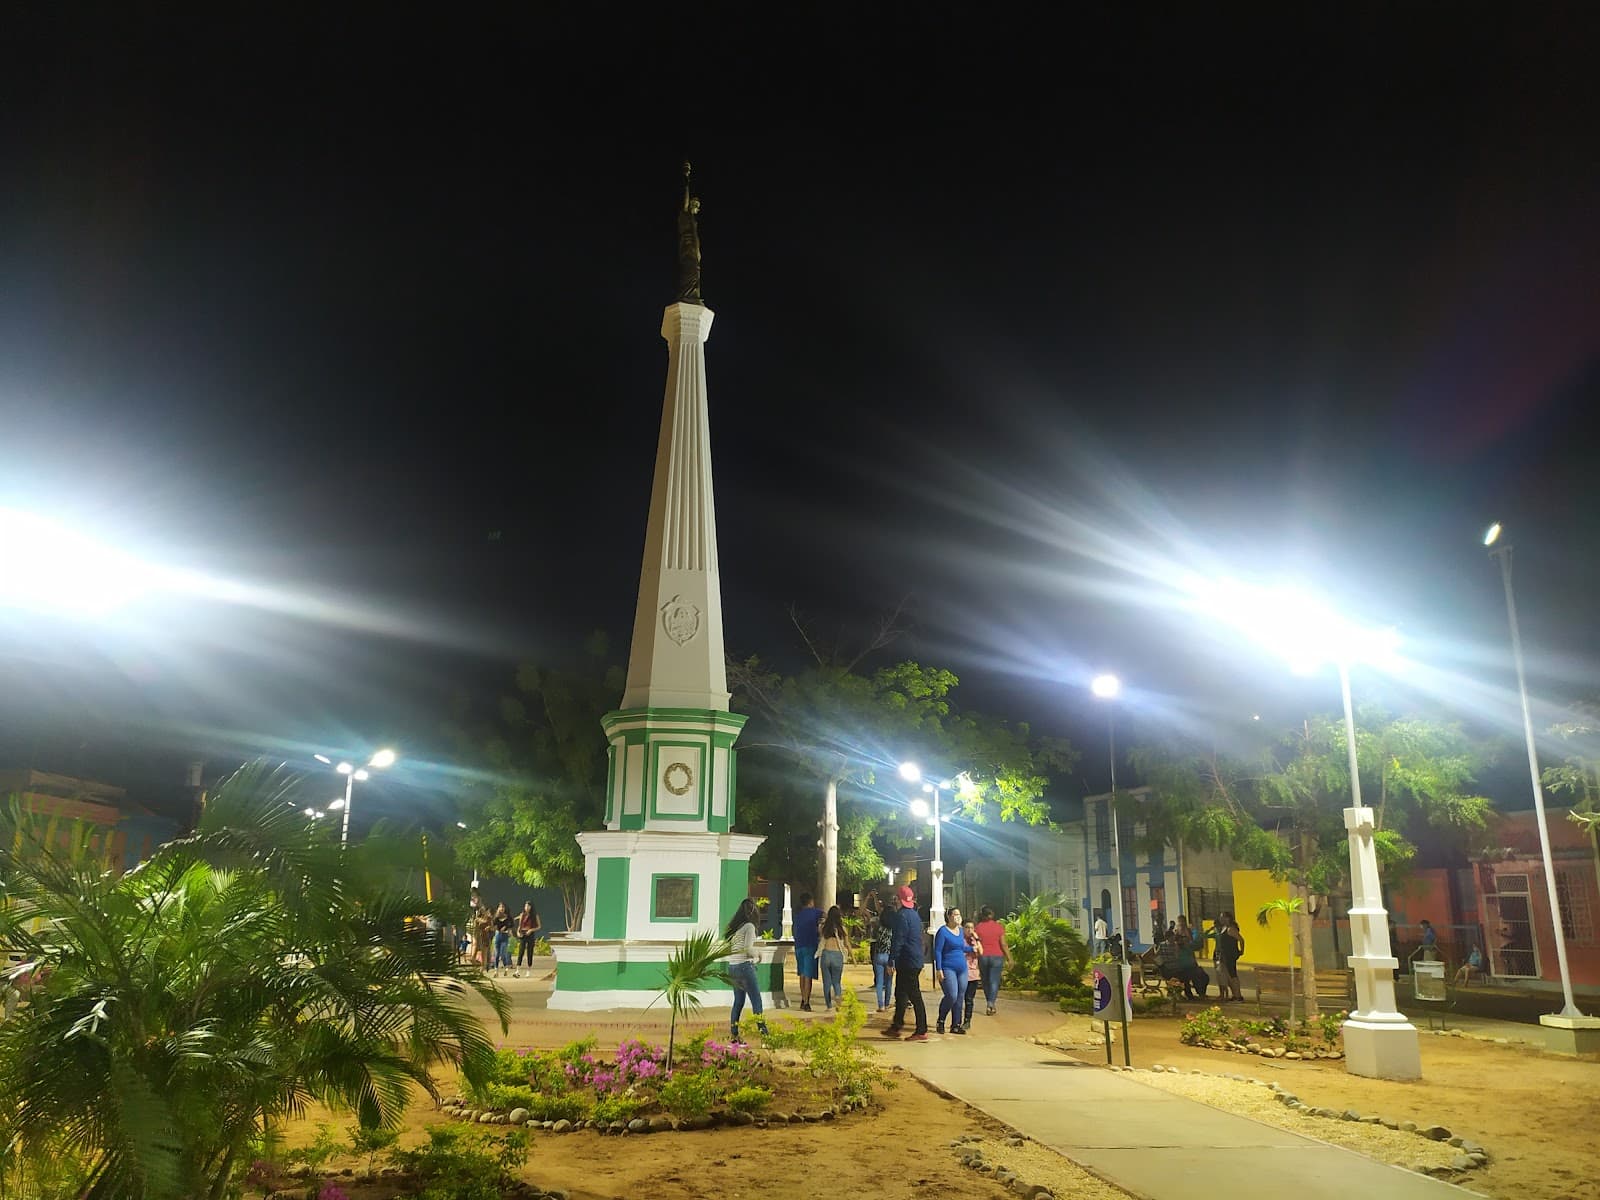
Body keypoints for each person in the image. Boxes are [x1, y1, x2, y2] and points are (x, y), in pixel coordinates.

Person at [884, 884, 929, 1041]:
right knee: (901, 993)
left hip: (907, 961)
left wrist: (891, 961)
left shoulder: (901, 916)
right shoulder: (914, 915)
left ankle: (921, 1030)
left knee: (914, 995)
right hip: (914, 959)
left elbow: (898, 940)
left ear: (898, 899)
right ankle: (896, 1026)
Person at [725, 897, 769, 1042]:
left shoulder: (736, 928)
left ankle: (734, 1035)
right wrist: (759, 954)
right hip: (744, 967)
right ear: (753, 911)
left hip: (732, 967)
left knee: (738, 1002)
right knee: (757, 1002)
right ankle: (765, 1036)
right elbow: (748, 949)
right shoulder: (749, 926)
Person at [933, 908, 969, 1035]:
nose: (958, 917)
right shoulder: (942, 932)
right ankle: (941, 1020)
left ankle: (956, 1024)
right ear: (949, 916)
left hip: (962, 968)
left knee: (960, 995)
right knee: (951, 995)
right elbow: (937, 950)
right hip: (948, 967)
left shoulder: (960, 931)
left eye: (959, 914)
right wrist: (939, 969)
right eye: (955, 914)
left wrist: (972, 948)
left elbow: (961, 947)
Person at [973, 906, 1010, 1016]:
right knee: (994, 981)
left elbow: (975, 943)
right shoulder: (999, 927)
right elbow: (1003, 944)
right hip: (997, 956)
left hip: (983, 956)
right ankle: (991, 1003)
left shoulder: (978, 927)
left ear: (982, 915)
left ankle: (989, 1001)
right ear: (992, 914)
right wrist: (1009, 958)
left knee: (985, 981)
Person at [791, 891, 823, 1011]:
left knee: (802, 974)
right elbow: (826, 916)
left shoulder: (798, 915)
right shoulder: (816, 912)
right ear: (811, 901)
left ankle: (803, 998)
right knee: (808, 975)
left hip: (799, 946)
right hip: (810, 945)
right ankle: (806, 1001)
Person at [818, 905, 850, 1010]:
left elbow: (820, 936)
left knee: (826, 983)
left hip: (826, 954)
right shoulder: (843, 929)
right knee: (836, 982)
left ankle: (828, 1006)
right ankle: (838, 1000)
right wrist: (853, 958)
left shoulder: (823, 928)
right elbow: (847, 944)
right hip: (837, 955)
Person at [869, 906, 895, 1011]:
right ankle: (887, 1003)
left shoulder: (878, 927)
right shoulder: (894, 929)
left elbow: (873, 940)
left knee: (879, 982)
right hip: (890, 956)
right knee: (889, 982)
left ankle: (881, 1005)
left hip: (879, 955)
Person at [1215, 918, 1245, 1001]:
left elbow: (1241, 940)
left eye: (1224, 917)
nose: (1222, 920)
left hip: (1230, 955)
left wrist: (1241, 951)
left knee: (1232, 975)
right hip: (1223, 955)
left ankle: (1238, 995)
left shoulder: (1231, 929)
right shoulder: (1223, 928)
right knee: (1227, 975)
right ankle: (1234, 995)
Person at [961, 920, 982, 1029]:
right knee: (959, 998)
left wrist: (976, 938)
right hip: (962, 972)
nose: (970, 930)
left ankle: (967, 1021)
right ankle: (956, 1021)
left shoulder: (974, 940)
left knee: (969, 999)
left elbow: (981, 952)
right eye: (967, 927)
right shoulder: (960, 939)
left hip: (973, 974)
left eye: (972, 928)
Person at [515, 900, 542, 974]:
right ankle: (517, 970)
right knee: (521, 951)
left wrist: (531, 930)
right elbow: (520, 926)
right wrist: (518, 932)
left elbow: (539, 926)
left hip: (530, 934)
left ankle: (529, 969)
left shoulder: (535, 915)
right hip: (523, 934)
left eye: (528, 906)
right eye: (526, 906)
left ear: (531, 907)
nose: (527, 907)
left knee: (529, 952)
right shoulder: (522, 915)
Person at [492, 903, 513, 974]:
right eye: (500, 907)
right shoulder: (496, 918)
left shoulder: (508, 917)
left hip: (505, 936)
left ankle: (506, 968)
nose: (501, 908)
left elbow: (511, 925)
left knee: (503, 953)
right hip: (498, 935)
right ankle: (496, 970)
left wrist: (507, 929)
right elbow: (494, 926)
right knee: (497, 954)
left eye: (503, 907)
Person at [472, 902, 494, 971]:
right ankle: (479, 964)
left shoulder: (489, 918)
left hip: (485, 936)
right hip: (478, 935)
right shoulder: (477, 919)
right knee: (478, 950)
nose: (483, 911)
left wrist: (489, 927)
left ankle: (484, 966)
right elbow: (476, 925)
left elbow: (492, 926)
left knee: (485, 951)